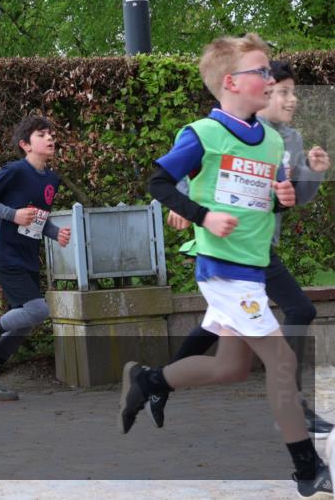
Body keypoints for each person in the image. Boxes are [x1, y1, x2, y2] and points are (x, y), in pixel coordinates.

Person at [119, 33, 331, 497]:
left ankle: (149, 381)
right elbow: (158, 183)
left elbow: (265, 205)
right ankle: (307, 470)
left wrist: (283, 200)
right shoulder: (204, 134)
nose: (270, 77)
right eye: (262, 71)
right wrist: (204, 216)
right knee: (280, 360)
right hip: (223, 270)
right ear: (232, 82)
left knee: (231, 368)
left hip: (255, 266)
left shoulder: (272, 141)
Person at [155, 59, 333, 438]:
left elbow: (293, 199)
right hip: (229, 247)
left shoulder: (291, 140)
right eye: (280, 90)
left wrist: (312, 173)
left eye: (290, 92)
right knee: (297, 310)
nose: (288, 100)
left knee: (216, 326)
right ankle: (294, 404)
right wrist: (188, 210)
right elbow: (198, 171)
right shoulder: (226, 129)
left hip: (259, 246)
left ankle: (157, 383)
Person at [0, 115, 72, 400]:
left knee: (24, 323)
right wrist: (12, 214)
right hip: (6, 255)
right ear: (26, 145)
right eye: (42, 134)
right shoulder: (14, 171)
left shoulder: (51, 179)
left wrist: (54, 232)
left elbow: (37, 219)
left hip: (28, 258)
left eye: (51, 133)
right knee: (39, 310)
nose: (50, 138)